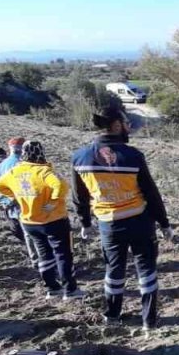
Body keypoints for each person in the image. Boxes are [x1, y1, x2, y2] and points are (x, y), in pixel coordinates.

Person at [72, 103, 172, 335]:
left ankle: (113, 315)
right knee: (146, 271)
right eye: (126, 123)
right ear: (116, 126)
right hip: (139, 221)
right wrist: (164, 223)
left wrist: (85, 222)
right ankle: (149, 320)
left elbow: (80, 196)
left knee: (114, 270)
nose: (128, 127)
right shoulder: (133, 155)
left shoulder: (80, 157)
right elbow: (151, 192)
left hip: (108, 224)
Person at [0, 141, 82, 300]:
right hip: (53, 220)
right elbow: (62, 186)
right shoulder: (44, 171)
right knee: (62, 254)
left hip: (29, 222)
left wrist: (16, 197)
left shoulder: (14, 171)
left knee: (44, 255)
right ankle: (70, 290)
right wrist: (53, 202)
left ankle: (52, 289)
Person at [0, 138, 37, 264]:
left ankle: (35, 259)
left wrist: (7, 202)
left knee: (26, 232)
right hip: (29, 202)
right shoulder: (26, 163)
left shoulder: (2, 165)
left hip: (13, 205)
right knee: (34, 232)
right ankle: (42, 259)